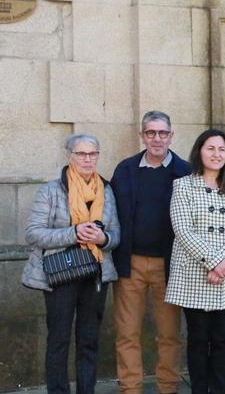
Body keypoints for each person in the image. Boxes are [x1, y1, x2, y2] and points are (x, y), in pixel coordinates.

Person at [21, 134, 121, 394]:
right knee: (59, 341)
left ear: (98, 156)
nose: (87, 159)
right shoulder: (51, 191)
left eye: (92, 153)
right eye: (81, 153)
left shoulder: (106, 190)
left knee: (89, 341)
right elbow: (33, 233)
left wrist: (103, 238)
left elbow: (116, 235)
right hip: (61, 273)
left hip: (94, 273)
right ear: (69, 156)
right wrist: (74, 233)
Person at [164, 129, 225, 394]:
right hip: (195, 274)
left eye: (221, 149)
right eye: (211, 148)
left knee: (222, 339)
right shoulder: (183, 185)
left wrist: (224, 265)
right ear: (199, 152)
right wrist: (213, 262)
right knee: (199, 339)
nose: (216, 154)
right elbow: (182, 229)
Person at [111, 111, 191, 394]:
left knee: (169, 334)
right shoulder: (125, 169)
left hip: (170, 266)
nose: (157, 139)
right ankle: (130, 389)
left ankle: (167, 388)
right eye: (150, 133)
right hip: (129, 264)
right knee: (126, 333)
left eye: (162, 133)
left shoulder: (186, 171)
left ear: (171, 135)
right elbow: (111, 213)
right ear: (142, 135)